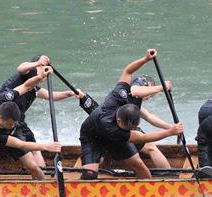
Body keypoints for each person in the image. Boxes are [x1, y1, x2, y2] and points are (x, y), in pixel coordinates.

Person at [78, 49, 184, 180]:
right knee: (89, 175)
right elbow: (144, 138)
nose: (149, 97)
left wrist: (145, 59)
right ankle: (95, 162)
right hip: (93, 137)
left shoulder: (119, 96)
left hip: (113, 134)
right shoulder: (130, 94)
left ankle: (161, 183)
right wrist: (161, 88)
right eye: (149, 93)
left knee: (138, 164)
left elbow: (128, 70)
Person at [0, 67, 63, 182]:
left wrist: (40, 78)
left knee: (33, 167)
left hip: (7, 135)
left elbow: (26, 86)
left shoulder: (5, 97)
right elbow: (20, 144)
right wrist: (45, 146)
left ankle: (44, 186)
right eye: (10, 124)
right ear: (0, 118)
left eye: (14, 124)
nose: (13, 126)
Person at [0, 55, 78, 168]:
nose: (45, 70)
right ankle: (35, 171)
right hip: (4, 122)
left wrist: (70, 93)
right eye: (42, 67)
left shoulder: (34, 88)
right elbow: (21, 67)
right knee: (28, 149)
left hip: (18, 122)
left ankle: (42, 172)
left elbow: (51, 96)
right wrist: (38, 63)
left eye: (46, 68)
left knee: (35, 146)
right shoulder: (24, 75)